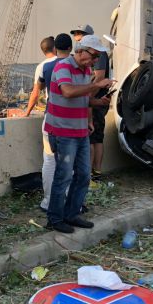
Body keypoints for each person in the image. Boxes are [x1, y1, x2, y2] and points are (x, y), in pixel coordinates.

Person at [45, 34, 113, 233]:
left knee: (83, 175)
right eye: (94, 56)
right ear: (81, 51)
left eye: (97, 58)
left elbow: (81, 97)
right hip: (63, 131)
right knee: (63, 176)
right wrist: (96, 85)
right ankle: (55, 219)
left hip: (80, 130)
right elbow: (67, 91)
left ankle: (72, 214)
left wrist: (98, 102)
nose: (95, 61)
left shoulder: (86, 70)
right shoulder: (63, 67)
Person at [35, 34, 73, 210]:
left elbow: (38, 90)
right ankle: (69, 201)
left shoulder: (46, 66)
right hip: (72, 120)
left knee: (50, 161)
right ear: (71, 48)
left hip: (50, 119)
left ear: (55, 48)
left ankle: (48, 201)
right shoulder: (77, 66)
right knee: (69, 162)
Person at [71, 24, 110, 179]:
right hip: (94, 100)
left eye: (81, 34)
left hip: (95, 101)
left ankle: (93, 175)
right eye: (76, 34)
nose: (77, 37)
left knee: (94, 138)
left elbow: (99, 77)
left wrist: (90, 99)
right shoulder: (77, 64)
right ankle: (93, 174)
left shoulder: (96, 54)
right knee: (94, 138)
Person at [23, 36, 56, 117]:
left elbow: (36, 92)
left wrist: (27, 112)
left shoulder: (42, 66)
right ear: (55, 48)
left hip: (52, 109)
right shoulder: (66, 61)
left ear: (43, 51)